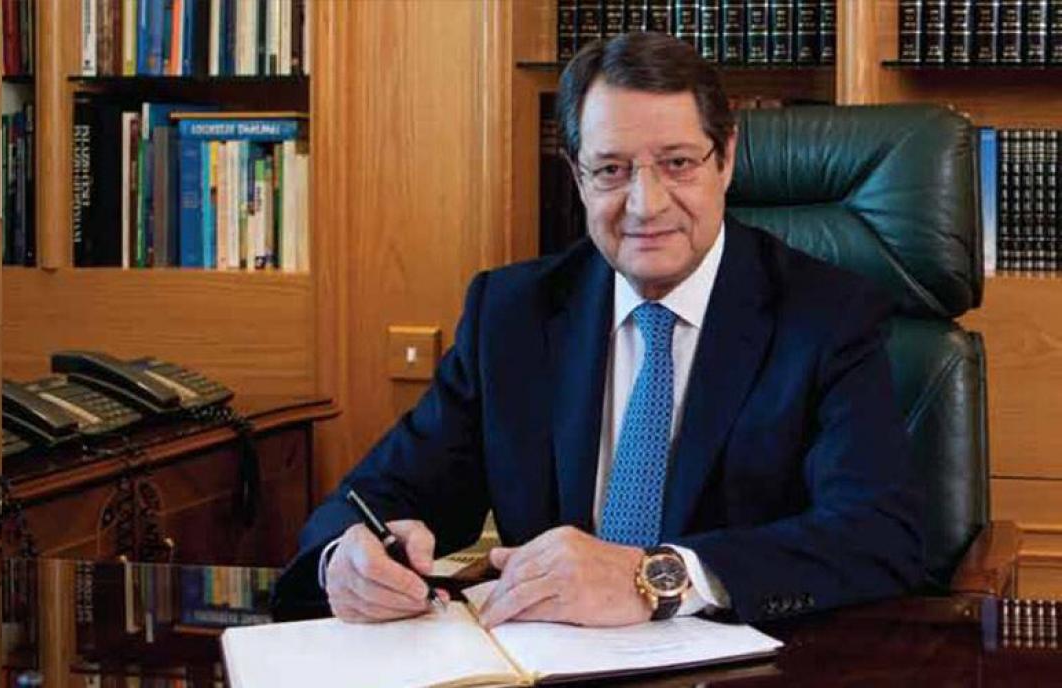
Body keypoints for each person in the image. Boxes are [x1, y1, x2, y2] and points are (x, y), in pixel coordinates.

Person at [273, 32, 923, 626]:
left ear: (725, 158)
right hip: (553, 662)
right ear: (578, 176)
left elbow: (878, 535)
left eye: (677, 163)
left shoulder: (827, 315)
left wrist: (657, 578)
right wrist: (347, 559)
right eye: (611, 169)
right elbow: (377, 495)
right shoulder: (512, 315)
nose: (645, 204)